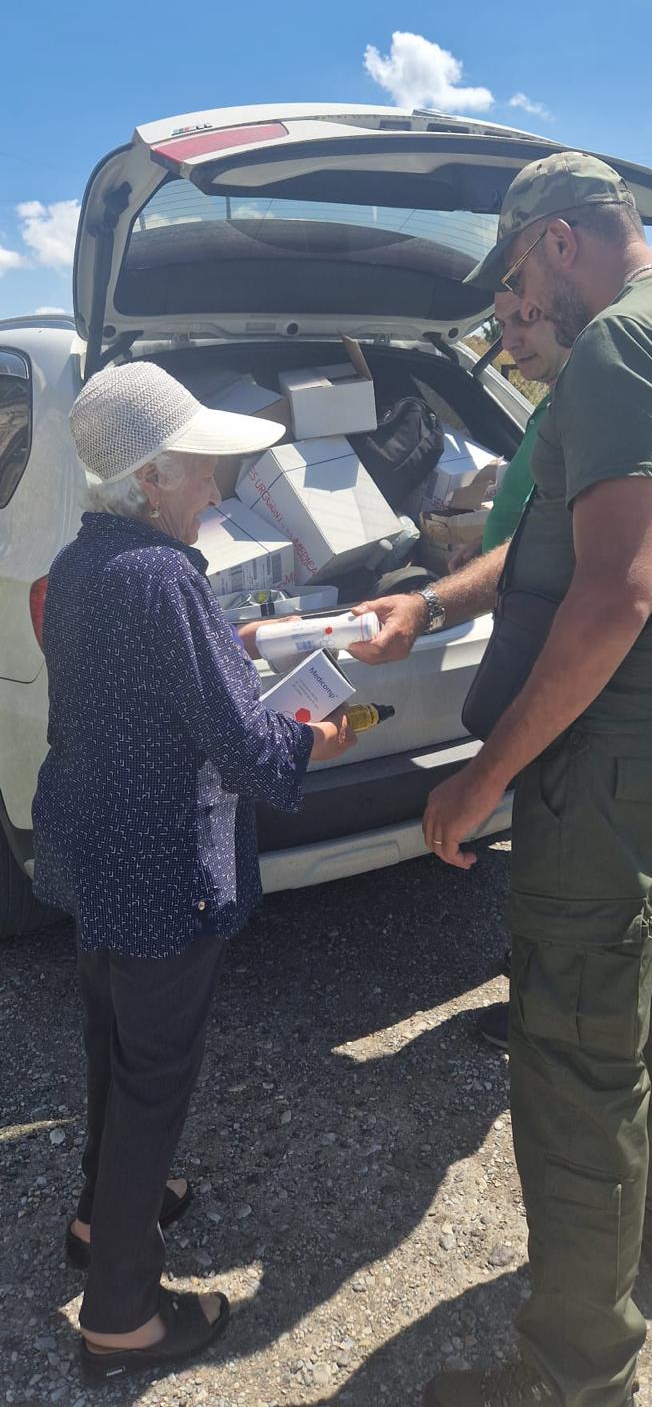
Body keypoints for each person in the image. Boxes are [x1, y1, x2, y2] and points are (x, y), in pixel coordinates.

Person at [352, 152, 652, 1407]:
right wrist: (429, 601)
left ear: (561, 241)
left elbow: (613, 591)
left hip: (603, 756)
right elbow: (555, 536)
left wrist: (483, 779)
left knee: (575, 1054)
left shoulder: (620, 345)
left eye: (518, 271)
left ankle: (573, 1372)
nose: (517, 299)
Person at [32, 362, 355, 1386]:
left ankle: (100, 1216)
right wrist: (321, 737)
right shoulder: (165, 576)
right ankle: (120, 1314)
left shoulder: (83, 561)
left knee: (114, 1045)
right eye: (199, 467)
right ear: (151, 476)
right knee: (155, 1078)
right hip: (164, 866)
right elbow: (246, 747)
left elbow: (142, 686)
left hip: (96, 851)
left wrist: (228, 643)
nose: (215, 486)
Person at [449, 295, 571, 1052]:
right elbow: (524, 520)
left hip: (554, 653)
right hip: (517, 624)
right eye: (502, 326)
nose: (511, 339)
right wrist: (481, 552)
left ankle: (543, 1002)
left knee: (559, 830)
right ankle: (538, 962)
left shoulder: (586, 416)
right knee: (540, 820)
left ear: (572, 317)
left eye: (526, 319)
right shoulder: (549, 408)